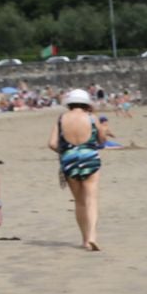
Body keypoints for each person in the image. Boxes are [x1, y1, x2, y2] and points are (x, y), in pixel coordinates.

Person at [47, 87, 108, 251]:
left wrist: (66, 152)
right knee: (91, 199)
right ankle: (92, 236)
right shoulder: (91, 117)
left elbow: (52, 143)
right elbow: (102, 140)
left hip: (69, 160)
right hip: (89, 159)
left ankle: (84, 239)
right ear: (86, 103)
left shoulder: (61, 118)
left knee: (79, 202)